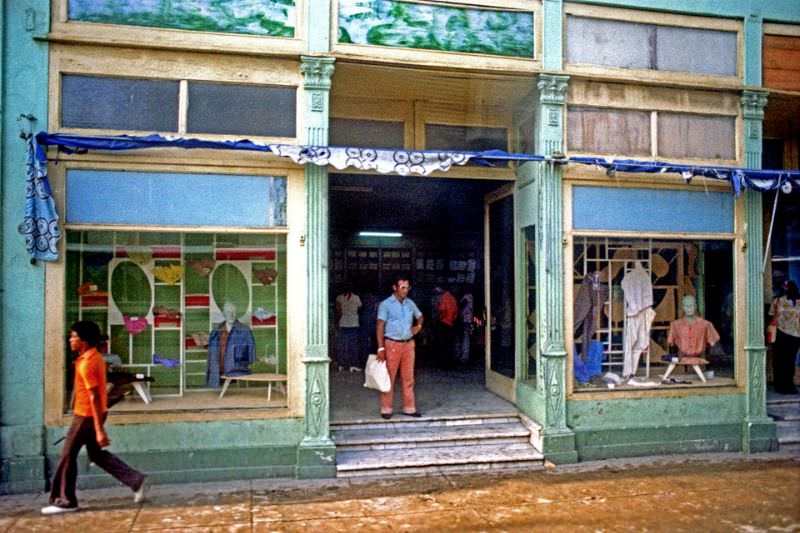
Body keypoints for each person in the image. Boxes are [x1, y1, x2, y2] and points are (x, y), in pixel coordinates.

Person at [42, 321, 147, 515]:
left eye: (73, 336)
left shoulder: (88, 363)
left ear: (83, 340)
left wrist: (99, 429)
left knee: (67, 456)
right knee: (96, 454)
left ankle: (65, 501)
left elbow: (94, 397)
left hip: (86, 416)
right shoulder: (93, 358)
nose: (70, 340)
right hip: (90, 414)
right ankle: (134, 479)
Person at [376, 274, 424, 419]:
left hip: (408, 345)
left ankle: (409, 408)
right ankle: (386, 409)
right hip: (392, 345)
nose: (405, 290)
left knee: (408, 378)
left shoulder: (410, 303)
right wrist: (380, 348)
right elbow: (380, 326)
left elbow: (420, 316)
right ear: (395, 288)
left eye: (407, 287)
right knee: (389, 377)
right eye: (402, 287)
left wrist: (418, 326)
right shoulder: (385, 304)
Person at [206, 301, 255, 387]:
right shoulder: (215, 332)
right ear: (224, 313)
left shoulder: (245, 331)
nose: (231, 315)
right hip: (219, 373)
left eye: (233, 312)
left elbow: (251, 355)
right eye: (228, 312)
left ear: (237, 313)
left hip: (238, 372)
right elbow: (211, 356)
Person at [769, 280, 800, 394]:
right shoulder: (777, 301)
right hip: (780, 333)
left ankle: (788, 385)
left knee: (789, 361)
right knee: (779, 360)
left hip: (795, 335)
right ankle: (780, 385)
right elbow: (771, 315)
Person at [335, 282, 363, 372]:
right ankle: (353, 365)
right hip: (353, 324)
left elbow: (338, 312)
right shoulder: (356, 298)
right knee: (353, 345)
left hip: (343, 323)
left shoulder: (339, 298)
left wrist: (336, 322)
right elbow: (359, 308)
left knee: (342, 345)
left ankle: (341, 364)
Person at [432, 287, 458, 367]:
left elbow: (443, 311)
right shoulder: (453, 298)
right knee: (449, 344)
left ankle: (443, 363)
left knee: (442, 345)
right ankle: (448, 363)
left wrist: (436, 319)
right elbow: (456, 312)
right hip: (451, 324)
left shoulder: (444, 298)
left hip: (443, 323)